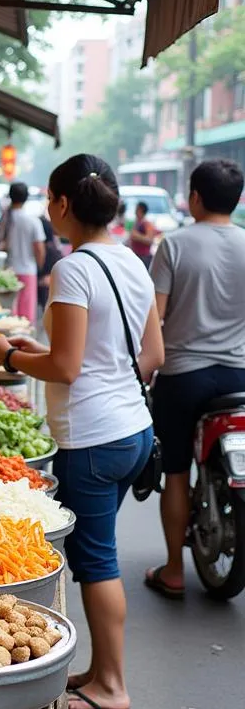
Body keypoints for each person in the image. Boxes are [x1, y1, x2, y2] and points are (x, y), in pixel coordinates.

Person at [0, 155, 164, 709]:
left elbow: (68, 368)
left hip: (93, 440)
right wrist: (43, 356)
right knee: (101, 556)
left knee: (98, 563)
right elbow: (151, 355)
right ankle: (100, 670)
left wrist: (6, 354)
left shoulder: (73, 268)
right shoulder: (131, 259)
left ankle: (111, 686)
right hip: (133, 426)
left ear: (60, 204)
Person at [145, 159, 245, 599]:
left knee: (177, 473)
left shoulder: (175, 245)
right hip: (240, 376)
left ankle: (172, 570)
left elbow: (154, 317)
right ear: (237, 199)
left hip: (183, 377)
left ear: (196, 197)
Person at [1, 183, 45, 323]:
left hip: (7, 270)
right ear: (26, 198)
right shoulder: (33, 221)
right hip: (27, 270)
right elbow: (39, 248)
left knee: (8, 314)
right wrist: (41, 267)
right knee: (25, 316)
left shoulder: (5, 219)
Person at [129, 201, 156, 268]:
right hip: (136, 255)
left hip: (144, 257)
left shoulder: (146, 224)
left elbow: (150, 240)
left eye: (137, 209)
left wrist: (137, 236)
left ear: (141, 210)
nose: (135, 211)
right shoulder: (137, 223)